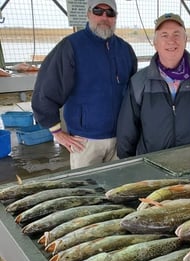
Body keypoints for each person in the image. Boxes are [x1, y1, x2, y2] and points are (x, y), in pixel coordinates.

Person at [32, 0, 137, 169]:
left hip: (121, 138)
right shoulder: (71, 47)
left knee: (119, 189)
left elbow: (134, 94)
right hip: (85, 142)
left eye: (110, 13)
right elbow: (46, 89)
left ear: (115, 17)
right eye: (98, 11)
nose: (104, 17)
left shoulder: (126, 50)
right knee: (86, 190)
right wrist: (56, 131)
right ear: (88, 14)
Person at [116, 13, 190, 159]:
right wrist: (128, 165)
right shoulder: (139, 82)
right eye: (164, 35)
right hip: (153, 166)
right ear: (155, 43)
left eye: (177, 34)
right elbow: (127, 130)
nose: (171, 41)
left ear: (185, 40)